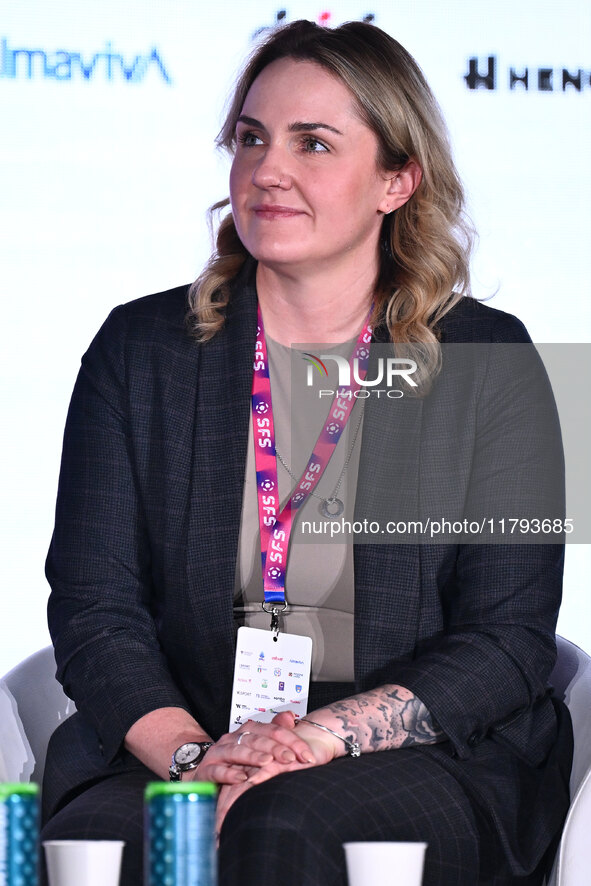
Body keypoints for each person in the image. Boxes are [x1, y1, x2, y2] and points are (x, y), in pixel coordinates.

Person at [41, 19, 572, 886]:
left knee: (283, 824)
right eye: (250, 138)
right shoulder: (141, 348)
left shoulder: (492, 359)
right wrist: (195, 759)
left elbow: (508, 639)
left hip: (426, 753)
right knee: (131, 843)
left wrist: (312, 744)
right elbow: (94, 607)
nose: (267, 170)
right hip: (186, 734)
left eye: (312, 143)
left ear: (396, 179)